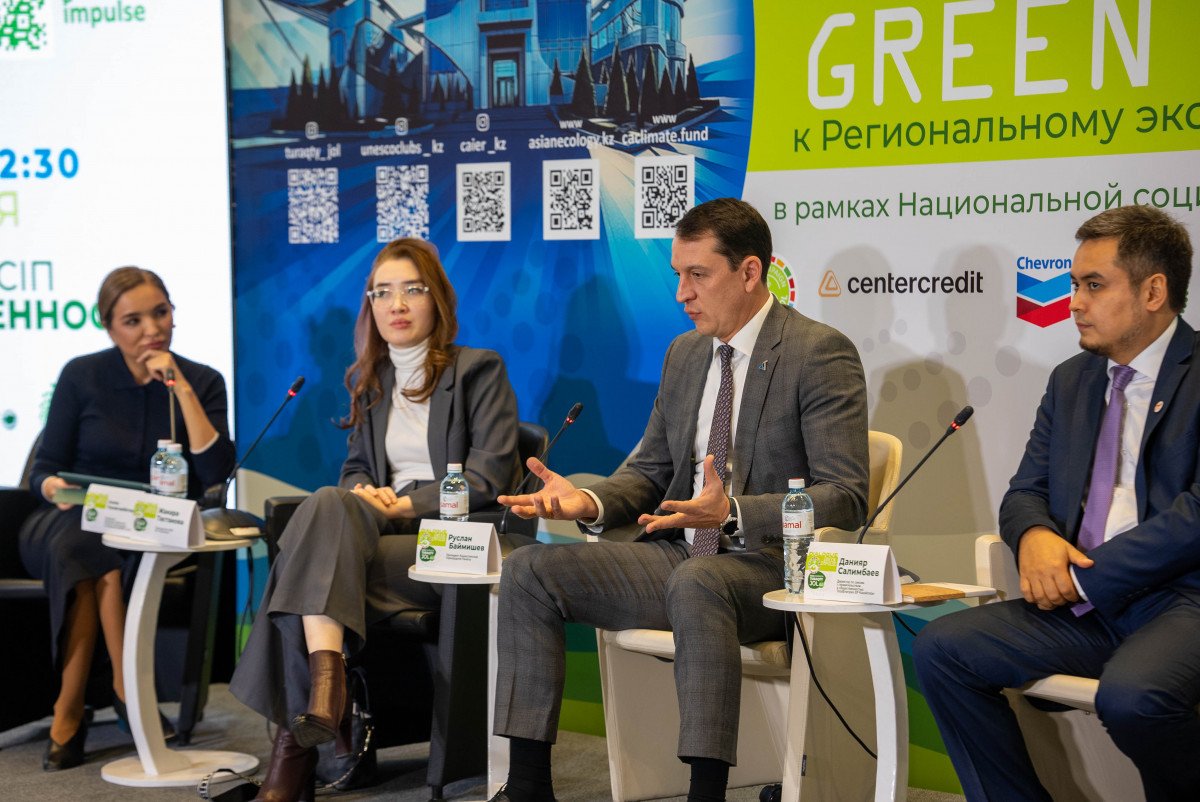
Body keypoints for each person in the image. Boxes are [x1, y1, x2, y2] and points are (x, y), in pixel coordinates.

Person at [490, 198, 870, 802]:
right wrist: (587, 501)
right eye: (677, 275)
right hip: (681, 557)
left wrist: (735, 513)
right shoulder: (685, 354)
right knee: (529, 571)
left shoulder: (818, 352)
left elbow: (846, 496)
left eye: (698, 275)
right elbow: (649, 471)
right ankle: (527, 787)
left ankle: (705, 791)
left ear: (749, 272)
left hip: (773, 568)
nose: (681, 294)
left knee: (699, 582)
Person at [912, 205, 1200, 802]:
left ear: (1153, 292)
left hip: (1182, 602)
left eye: (1094, 285)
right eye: (1073, 284)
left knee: (1134, 698)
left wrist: (1082, 576)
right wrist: (1035, 537)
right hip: (1086, 607)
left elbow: (1195, 516)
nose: (1074, 302)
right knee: (944, 648)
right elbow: (1026, 491)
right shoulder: (1072, 380)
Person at [229, 238, 521, 802]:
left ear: (437, 299)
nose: (397, 304)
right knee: (329, 501)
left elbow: (487, 477)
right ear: (370, 305)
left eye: (412, 289)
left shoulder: (478, 370)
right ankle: (325, 690)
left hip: (447, 546)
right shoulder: (373, 379)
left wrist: (404, 503)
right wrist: (365, 494)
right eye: (382, 292)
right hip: (376, 540)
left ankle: (297, 749)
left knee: (300, 567)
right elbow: (355, 471)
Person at [20, 266, 236, 770]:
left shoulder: (202, 380)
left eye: (160, 313)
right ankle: (120, 689)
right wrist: (52, 488)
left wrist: (179, 387)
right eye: (133, 321)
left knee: (101, 555)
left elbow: (214, 472)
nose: (151, 330)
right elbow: (45, 468)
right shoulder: (82, 375)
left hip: (150, 526)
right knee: (85, 543)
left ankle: (74, 708)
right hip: (67, 520)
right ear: (109, 327)